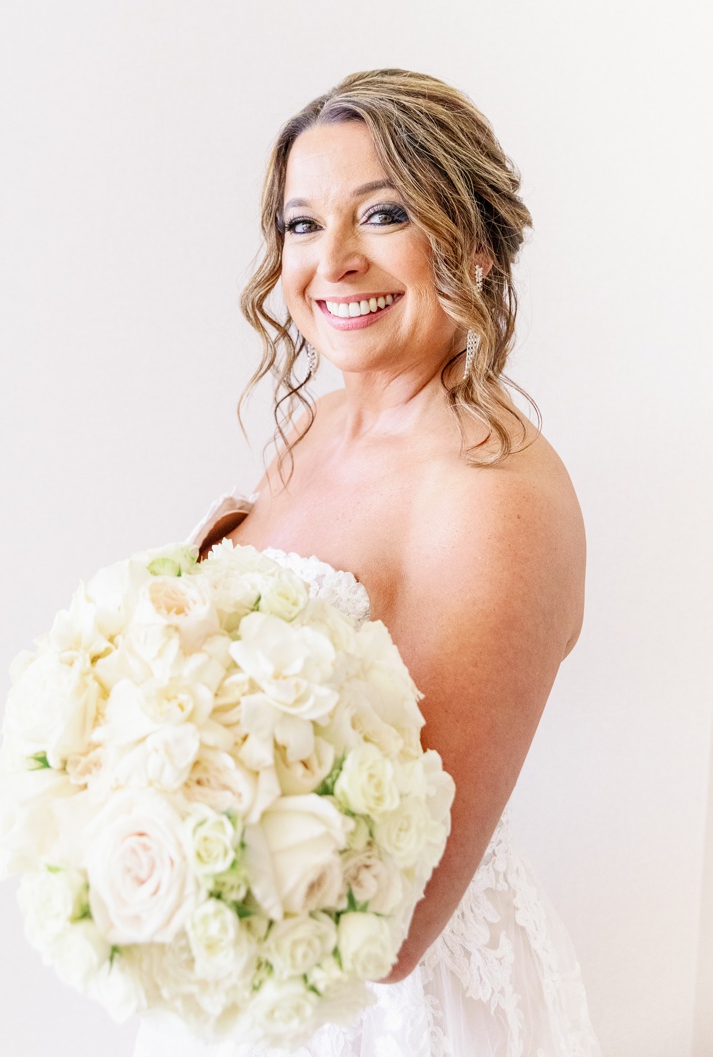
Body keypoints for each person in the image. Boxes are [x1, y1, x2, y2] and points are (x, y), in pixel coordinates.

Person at [139, 71, 599, 1056]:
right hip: (254, 962)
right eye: (301, 224)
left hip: (389, 1009)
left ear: (472, 243)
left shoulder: (492, 494)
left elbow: (399, 914)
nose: (332, 262)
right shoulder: (324, 422)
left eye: (380, 214)